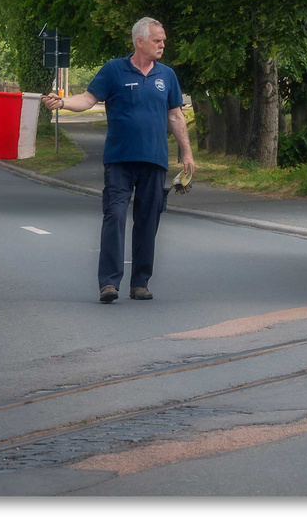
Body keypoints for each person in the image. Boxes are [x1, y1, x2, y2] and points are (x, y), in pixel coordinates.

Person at [42, 17, 197, 303]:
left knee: (148, 221)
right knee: (114, 216)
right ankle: (109, 283)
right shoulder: (114, 69)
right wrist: (62, 102)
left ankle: (140, 283)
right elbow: (88, 100)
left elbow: (175, 115)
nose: (163, 44)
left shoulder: (167, 76)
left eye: (163, 39)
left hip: (154, 160)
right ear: (139, 41)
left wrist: (186, 152)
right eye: (157, 40)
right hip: (119, 160)